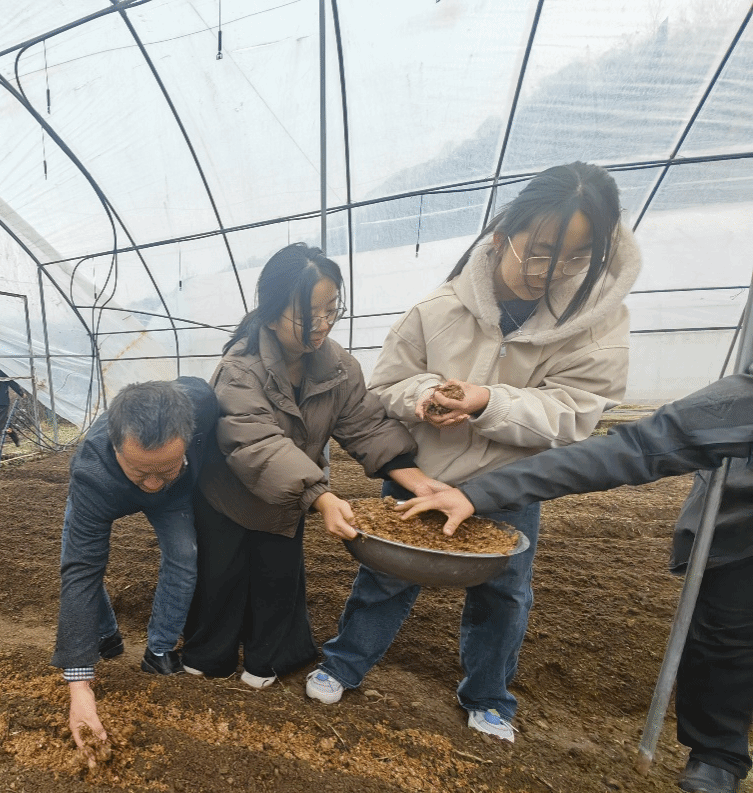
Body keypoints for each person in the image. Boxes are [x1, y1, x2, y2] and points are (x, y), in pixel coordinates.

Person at [306, 162, 642, 744]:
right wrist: (422, 395)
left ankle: (488, 697)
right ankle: (343, 663)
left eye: (575, 258)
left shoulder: (595, 325)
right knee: (386, 575)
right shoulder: (438, 309)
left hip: (506, 486)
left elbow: (578, 411)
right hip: (422, 476)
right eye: (540, 252)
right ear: (503, 235)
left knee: (503, 592)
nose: (551, 272)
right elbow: (384, 388)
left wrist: (489, 401)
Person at [396, 366, 753, 793]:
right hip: (745, 536)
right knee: (727, 636)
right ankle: (717, 754)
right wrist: (476, 494)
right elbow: (638, 446)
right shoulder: (743, 400)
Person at [181, 244, 443, 689]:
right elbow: (257, 444)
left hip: (287, 497)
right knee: (220, 580)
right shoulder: (239, 369)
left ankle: (265, 663)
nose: (322, 325)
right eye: (308, 315)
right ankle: (209, 658)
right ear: (271, 315)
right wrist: (320, 496)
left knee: (277, 582)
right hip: (227, 497)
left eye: (331, 310)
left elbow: (365, 424)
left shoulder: (338, 366)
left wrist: (419, 482)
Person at [54, 378, 219, 752]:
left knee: (185, 556)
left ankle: (159, 650)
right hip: (106, 492)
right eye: (141, 471)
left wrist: (169, 475)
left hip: (176, 499)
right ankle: (105, 635)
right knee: (77, 561)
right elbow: (82, 569)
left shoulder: (202, 404)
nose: (153, 484)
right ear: (116, 448)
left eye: (166, 468)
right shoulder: (90, 471)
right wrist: (79, 686)